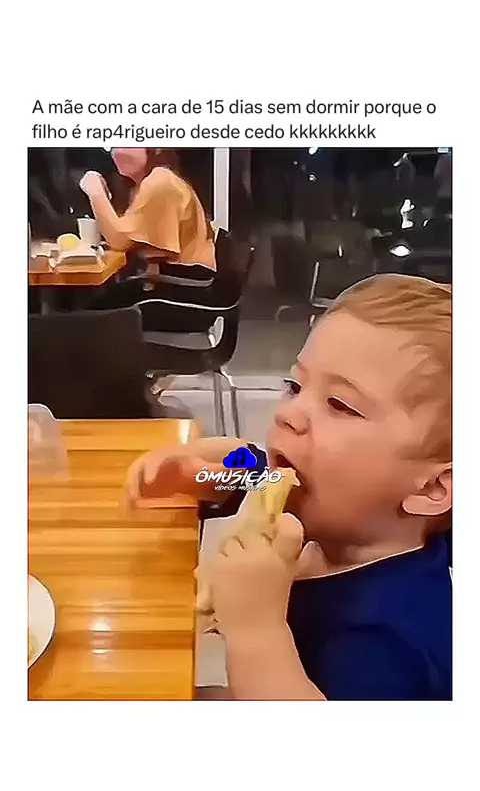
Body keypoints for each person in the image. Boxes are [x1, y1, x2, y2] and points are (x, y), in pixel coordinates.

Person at [125, 274, 452, 700]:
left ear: (431, 488)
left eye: (340, 405)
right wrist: (197, 473)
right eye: (296, 386)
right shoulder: (339, 516)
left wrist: (256, 629)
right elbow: (257, 474)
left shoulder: (385, 646)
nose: (288, 413)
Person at [79, 148, 216, 271]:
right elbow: (130, 237)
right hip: (175, 274)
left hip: (189, 278)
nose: (119, 152)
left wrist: (95, 192)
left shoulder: (160, 181)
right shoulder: (141, 184)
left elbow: (119, 240)